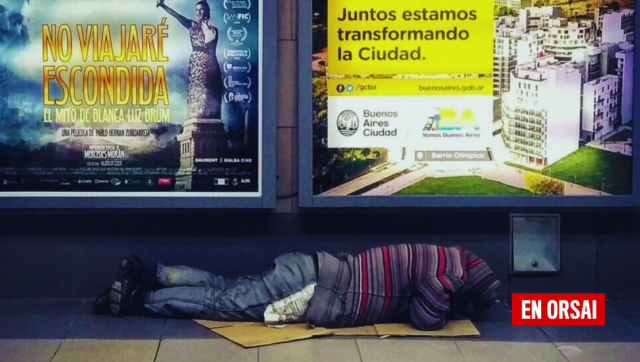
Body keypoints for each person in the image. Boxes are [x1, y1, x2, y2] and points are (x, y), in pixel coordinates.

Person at [95, 244, 501, 331]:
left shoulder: (442, 253)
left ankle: (151, 272)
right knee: (223, 302)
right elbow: (426, 320)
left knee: (226, 285)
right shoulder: (445, 275)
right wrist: (451, 306)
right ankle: (140, 299)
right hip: (312, 287)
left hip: (309, 267)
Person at [157, 0, 223, 120]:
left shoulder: (213, 30)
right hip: (196, 64)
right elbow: (177, 15)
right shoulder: (192, 25)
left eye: (201, 9)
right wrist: (163, 5)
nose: (199, 12)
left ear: (207, 11)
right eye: (197, 10)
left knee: (210, 93)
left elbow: (211, 48)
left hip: (209, 62)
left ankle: (210, 118)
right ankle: (195, 118)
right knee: (196, 92)